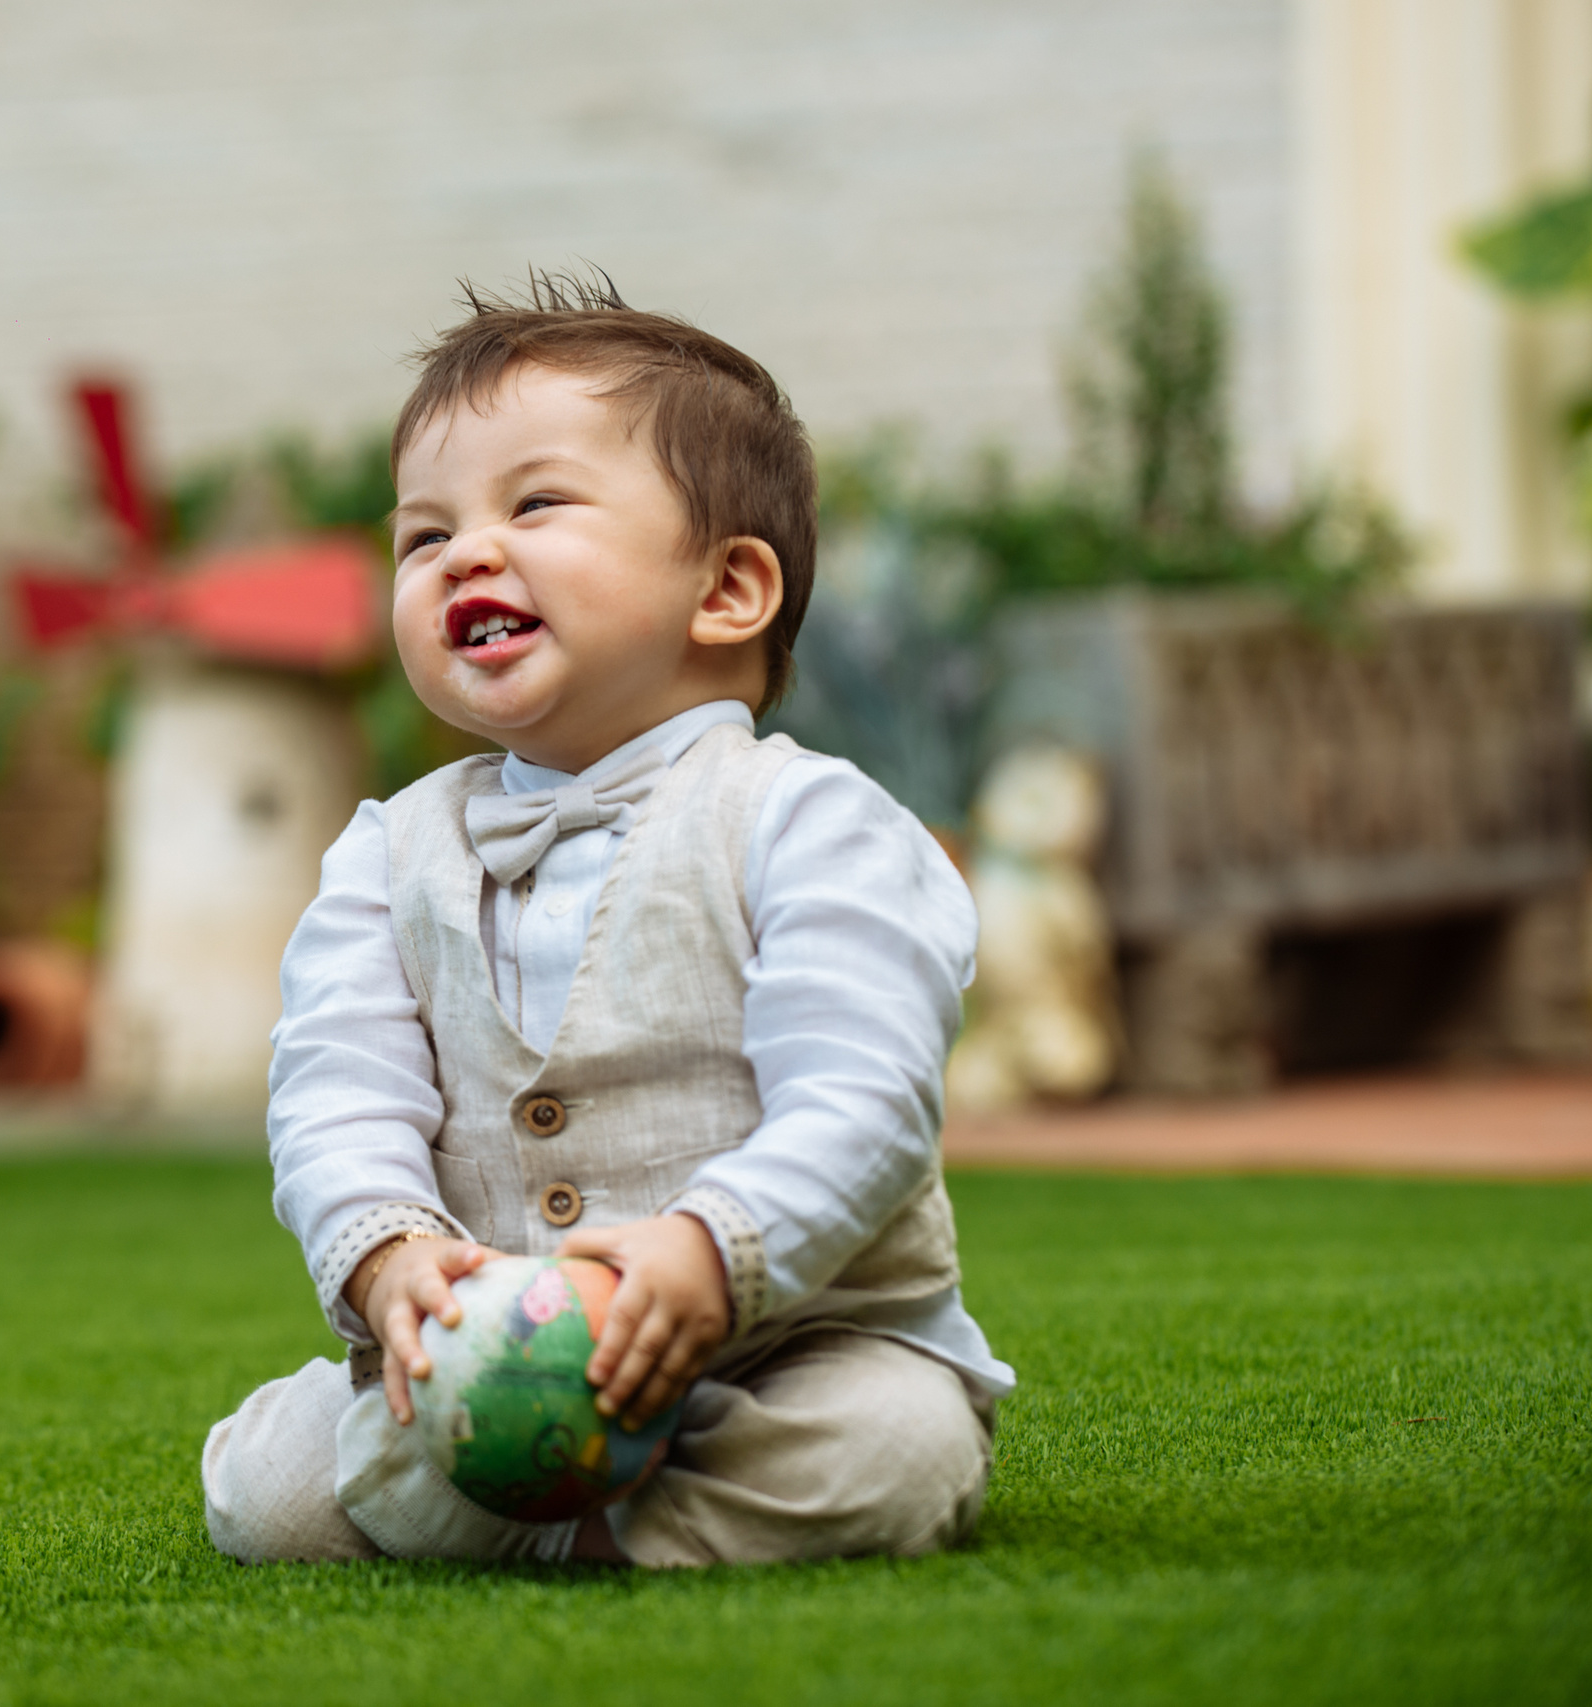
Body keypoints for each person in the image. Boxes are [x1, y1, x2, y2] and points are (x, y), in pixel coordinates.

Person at [200, 272, 1015, 1567]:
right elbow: (331, 1087)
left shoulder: (817, 824)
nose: (466, 552)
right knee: (269, 1499)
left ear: (729, 590)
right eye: (423, 536)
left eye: (536, 505)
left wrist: (713, 1251)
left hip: (789, 1348)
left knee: (888, 1452)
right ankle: (538, 1493)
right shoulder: (385, 852)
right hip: (495, 1351)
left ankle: (565, 1530)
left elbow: (866, 1095)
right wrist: (388, 1253)